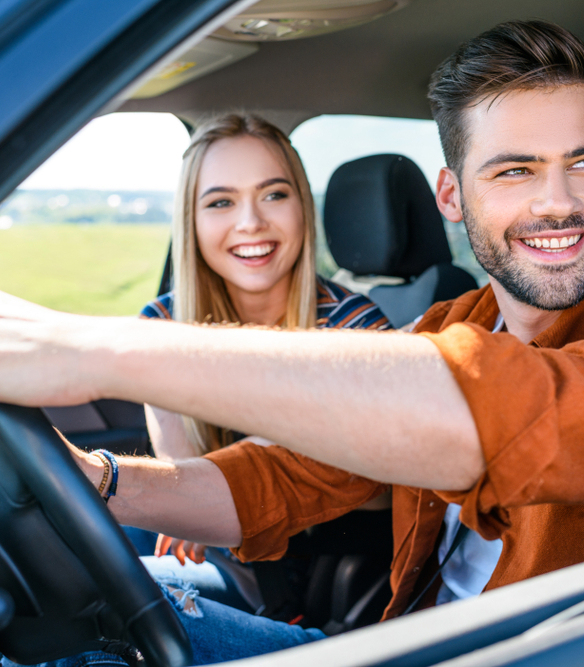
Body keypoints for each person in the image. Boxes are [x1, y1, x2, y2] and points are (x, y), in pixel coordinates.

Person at [0, 19, 584, 666]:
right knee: (58, 629)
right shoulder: (451, 326)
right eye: (515, 170)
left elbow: (509, 414)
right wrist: (106, 486)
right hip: (400, 641)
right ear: (453, 197)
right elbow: (280, 480)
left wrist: (98, 348)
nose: (559, 202)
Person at [130, 112, 390, 614]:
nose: (250, 222)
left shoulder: (358, 328)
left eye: (274, 194)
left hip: (313, 575)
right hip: (218, 559)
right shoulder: (162, 325)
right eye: (221, 202)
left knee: (104, 598)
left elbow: (380, 493)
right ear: (192, 220)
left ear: (302, 207)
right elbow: (180, 478)